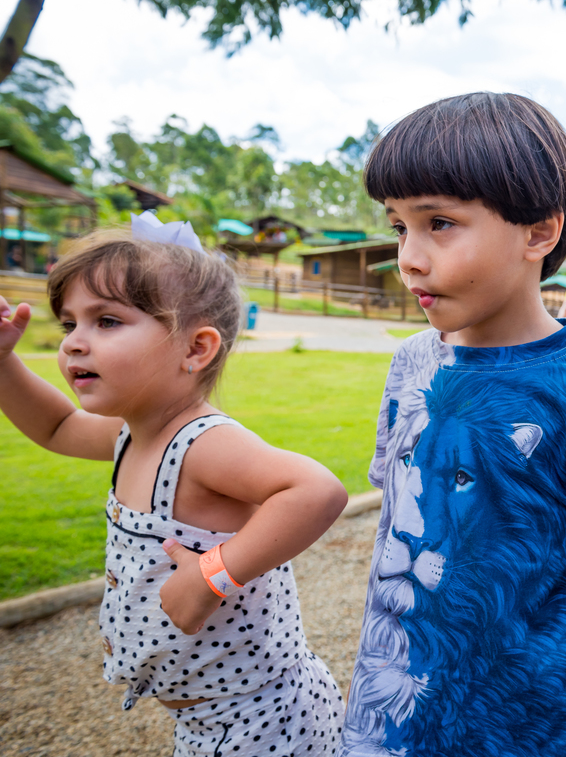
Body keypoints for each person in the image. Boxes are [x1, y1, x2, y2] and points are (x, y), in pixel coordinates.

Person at [340, 92, 566, 757]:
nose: (408, 255)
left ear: (538, 233)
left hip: (521, 723)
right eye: (399, 225)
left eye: (439, 222)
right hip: (388, 711)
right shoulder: (410, 363)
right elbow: (396, 519)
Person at [0, 217, 348, 756]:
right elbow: (56, 428)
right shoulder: (131, 434)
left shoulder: (201, 444)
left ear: (196, 348)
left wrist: (210, 577)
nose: (74, 344)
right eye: (69, 324)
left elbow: (316, 490)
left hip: (264, 720)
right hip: (212, 720)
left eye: (107, 321)